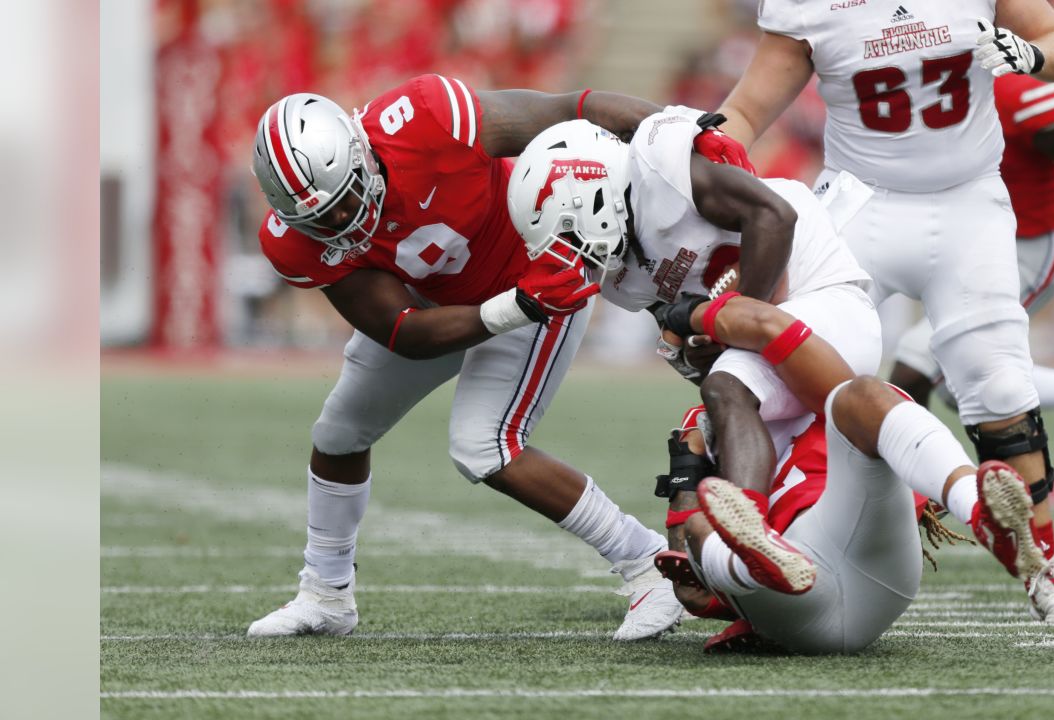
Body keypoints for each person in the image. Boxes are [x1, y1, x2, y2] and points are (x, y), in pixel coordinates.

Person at [245, 74, 749, 640]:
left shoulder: (427, 120)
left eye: (345, 200)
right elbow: (401, 330)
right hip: (449, 308)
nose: (342, 223)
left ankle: (644, 564)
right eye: (322, 218)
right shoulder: (292, 241)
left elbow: (569, 107)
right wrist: (507, 310)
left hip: (543, 273)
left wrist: (673, 136)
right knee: (338, 433)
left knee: (484, 446)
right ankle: (326, 593)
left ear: (362, 151)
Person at [711, 0, 1054, 622]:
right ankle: (737, 539)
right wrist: (693, 152)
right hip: (862, 202)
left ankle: (1044, 568)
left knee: (998, 381)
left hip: (969, 197)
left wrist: (1033, 56)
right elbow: (749, 110)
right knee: (768, 363)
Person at [506, 114, 882, 506]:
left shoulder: (664, 173)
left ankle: (747, 530)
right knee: (693, 466)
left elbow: (775, 217)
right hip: (775, 353)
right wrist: (696, 351)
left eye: (567, 230)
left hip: (825, 299)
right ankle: (738, 553)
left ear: (588, 190)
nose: (571, 249)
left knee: (725, 392)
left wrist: (733, 325)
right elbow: (693, 350)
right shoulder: (621, 281)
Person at [653, 291, 1052, 653]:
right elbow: (691, 590)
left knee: (864, 395)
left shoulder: (856, 405)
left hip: (868, 562)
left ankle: (980, 510)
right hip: (790, 600)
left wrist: (695, 314)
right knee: (700, 528)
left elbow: (766, 325)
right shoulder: (708, 422)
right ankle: (756, 562)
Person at [889, 72, 1054, 473]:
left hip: (1023, 247)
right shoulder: (924, 70)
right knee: (959, 384)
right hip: (964, 243)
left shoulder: (1018, 91)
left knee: (915, 366)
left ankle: (914, 504)